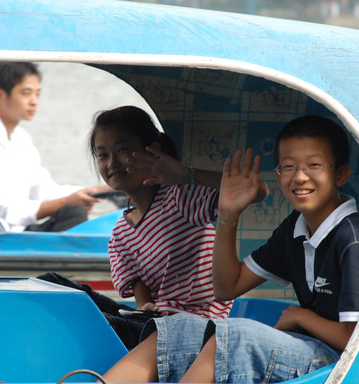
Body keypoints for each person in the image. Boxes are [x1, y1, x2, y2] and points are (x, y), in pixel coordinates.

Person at [103, 115, 359, 384]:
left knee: (236, 336)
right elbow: (227, 287)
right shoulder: (295, 228)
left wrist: (300, 315)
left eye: (314, 165)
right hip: (307, 346)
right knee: (179, 328)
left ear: (341, 175)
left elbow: (356, 339)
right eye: (289, 167)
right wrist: (227, 215)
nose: (300, 177)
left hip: (343, 365)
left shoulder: (353, 237)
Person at [40, 105, 268, 349]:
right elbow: (141, 292)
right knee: (52, 283)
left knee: (87, 322)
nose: (112, 163)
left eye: (123, 150)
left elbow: (255, 191)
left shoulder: (181, 197)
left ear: (153, 151)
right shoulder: (120, 233)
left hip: (196, 331)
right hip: (154, 324)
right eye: (103, 155)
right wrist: (144, 307)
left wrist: (187, 175)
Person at [0, 61, 105, 232]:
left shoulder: (21, 138)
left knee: (73, 212)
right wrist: (67, 201)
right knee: (71, 209)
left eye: (37, 94)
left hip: (20, 230)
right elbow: (0, 211)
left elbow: (44, 190)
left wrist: (99, 190)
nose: (34, 101)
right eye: (26, 93)